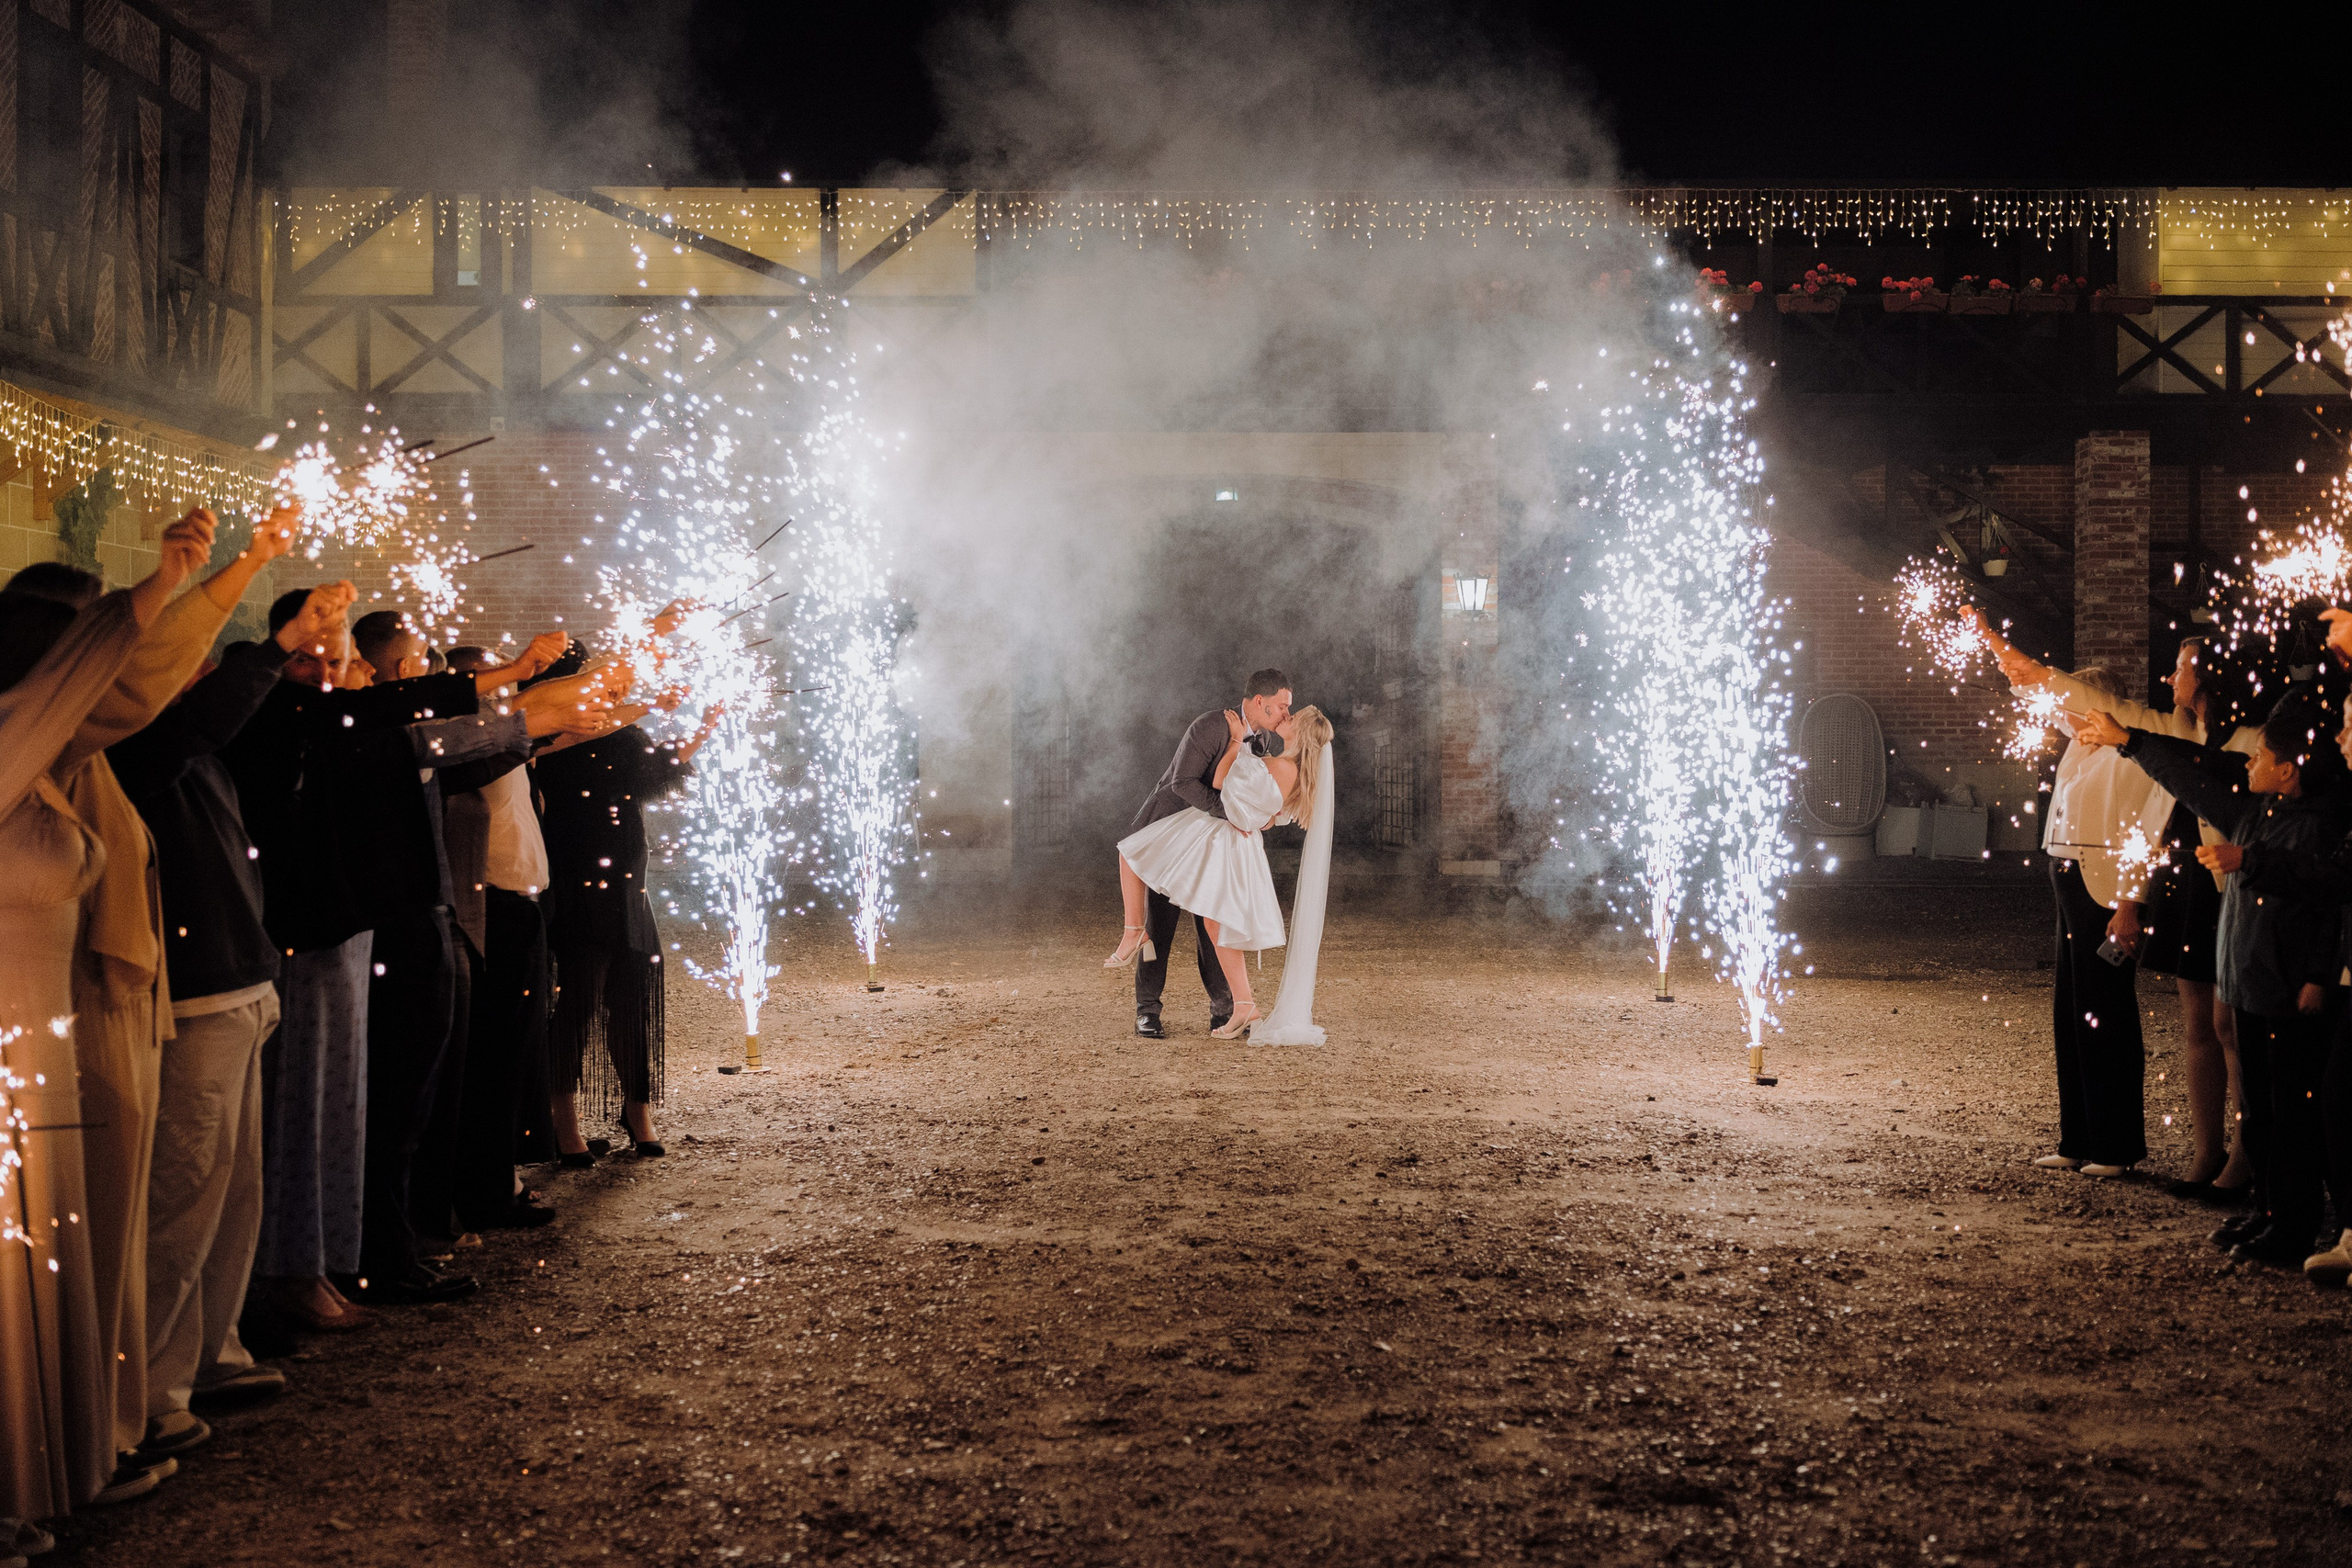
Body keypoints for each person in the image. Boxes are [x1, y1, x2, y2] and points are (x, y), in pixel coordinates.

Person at [5, 506, 299, 1502]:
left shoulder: (70, 751)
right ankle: (67, 1450)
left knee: (97, 1247)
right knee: (68, 1257)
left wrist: (212, 576)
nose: (126, 667)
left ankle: (91, 1440)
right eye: (100, 637)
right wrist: (189, 587)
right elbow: (164, 697)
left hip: (103, 1024)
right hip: (46, 1040)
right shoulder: (28, 748)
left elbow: (149, 681)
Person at [108, 574, 357, 1469]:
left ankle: (215, 1354)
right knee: (182, 1199)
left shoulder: (190, 741)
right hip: (194, 995)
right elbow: (199, 721)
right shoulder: (132, 743)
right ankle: (152, 1396)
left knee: (233, 1190)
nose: (197, 667)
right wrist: (278, 642)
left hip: (243, 983)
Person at [1989, 616, 2261, 1201]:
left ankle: (2237, 1155)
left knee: (2227, 1025)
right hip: (2177, 888)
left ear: (2211, 679)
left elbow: (2144, 824)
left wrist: (2127, 900)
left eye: (2182, 667)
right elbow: (2075, 705)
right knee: (2184, 1021)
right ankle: (2166, 1146)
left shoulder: (2211, 740)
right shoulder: (2156, 728)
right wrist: (2015, 666)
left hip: (2217, 887)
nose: (2169, 675)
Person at [2073, 696, 2350, 1267]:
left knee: (2293, 1111)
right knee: (2262, 1108)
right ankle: (2269, 1210)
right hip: (2250, 985)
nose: (2248, 765)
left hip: (2289, 992)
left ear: (2288, 768)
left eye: (2260, 757)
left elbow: (2328, 896)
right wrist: (2130, 741)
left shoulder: (2320, 825)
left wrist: (2317, 974)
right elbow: (2194, 772)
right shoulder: (2256, 810)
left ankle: (2294, 1225)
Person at [533, 649, 717, 1163]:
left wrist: (702, 729)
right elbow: (574, 749)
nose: (604, 687)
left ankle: (637, 1111)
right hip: (576, 876)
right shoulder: (551, 731)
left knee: (633, 998)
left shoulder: (620, 728)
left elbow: (653, 774)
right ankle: (563, 1119)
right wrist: (641, 707)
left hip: (627, 881)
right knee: (578, 1002)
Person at [1114, 705, 1331, 1038]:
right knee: (1179, 925)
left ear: (1300, 734)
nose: (1286, 716)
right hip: (1201, 837)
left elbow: (1223, 783)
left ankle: (1229, 1007)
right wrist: (1256, 816)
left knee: (1212, 926)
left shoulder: (1271, 758)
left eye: (1292, 715)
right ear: (1261, 701)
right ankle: (1152, 1008)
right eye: (1285, 709)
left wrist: (1234, 744)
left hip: (1218, 845)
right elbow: (1270, 814)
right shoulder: (1272, 757)